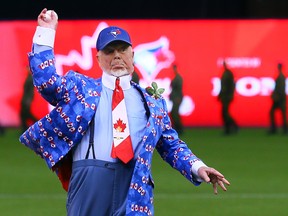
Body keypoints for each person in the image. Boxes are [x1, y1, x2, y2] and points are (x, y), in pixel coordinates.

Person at [19, 8, 230, 216]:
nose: (117, 56)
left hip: (135, 182)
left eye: (122, 49)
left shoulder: (152, 102)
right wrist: (45, 32)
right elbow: (46, 82)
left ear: (132, 55)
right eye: (110, 51)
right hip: (89, 180)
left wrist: (198, 167)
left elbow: (170, 145)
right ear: (99, 58)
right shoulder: (80, 88)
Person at [218, 61, 238, 135]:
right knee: (224, 113)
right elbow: (223, 86)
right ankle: (230, 127)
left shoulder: (228, 74)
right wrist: (220, 95)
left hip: (227, 96)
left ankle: (231, 127)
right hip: (224, 96)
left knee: (225, 113)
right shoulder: (226, 73)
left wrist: (230, 95)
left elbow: (230, 86)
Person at [268, 63, 287, 134]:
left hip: (280, 99)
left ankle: (278, 129)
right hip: (279, 98)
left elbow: (281, 89)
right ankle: (277, 128)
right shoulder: (280, 76)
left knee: (282, 114)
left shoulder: (281, 77)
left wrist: (276, 96)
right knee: (279, 113)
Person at [20, 66, 38, 133]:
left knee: (26, 115)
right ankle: (25, 129)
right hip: (25, 99)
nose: (26, 69)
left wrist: (28, 100)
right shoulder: (29, 77)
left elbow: (30, 91)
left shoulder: (30, 78)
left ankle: (38, 123)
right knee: (24, 115)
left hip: (27, 99)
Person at [169, 64, 184, 134]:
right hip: (175, 97)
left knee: (175, 113)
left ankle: (179, 128)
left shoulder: (178, 78)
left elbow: (178, 88)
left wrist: (177, 98)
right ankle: (177, 127)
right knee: (174, 113)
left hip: (177, 98)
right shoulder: (176, 77)